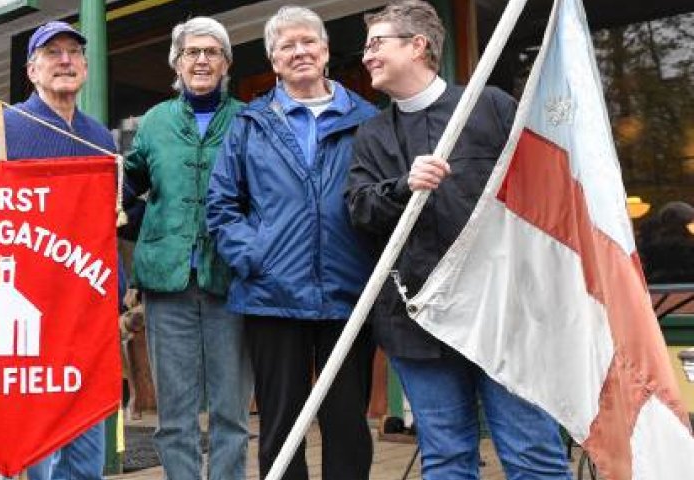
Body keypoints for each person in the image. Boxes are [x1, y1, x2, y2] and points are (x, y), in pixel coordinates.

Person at [345, 1, 573, 479]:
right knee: (446, 460)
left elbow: (545, 190)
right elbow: (360, 209)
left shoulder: (488, 105)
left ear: (418, 45)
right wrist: (403, 186)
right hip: (418, 323)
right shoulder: (371, 134)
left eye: (377, 43)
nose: (366, 56)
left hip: (505, 315)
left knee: (533, 456)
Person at [205, 6, 378, 480]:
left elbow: (383, 201)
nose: (299, 51)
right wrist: (254, 256)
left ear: (325, 51)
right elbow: (221, 205)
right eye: (287, 46)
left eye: (308, 42)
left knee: (347, 422)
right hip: (272, 296)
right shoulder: (249, 123)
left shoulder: (368, 119)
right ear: (273, 60)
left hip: (348, 293)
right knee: (281, 425)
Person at [0, 21, 115, 480]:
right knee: (36, 445)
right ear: (32, 70)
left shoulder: (101, 138)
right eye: (53, 53)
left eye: (74, 52)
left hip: (88, 306)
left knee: (86, 438)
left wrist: (117, 287)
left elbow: (106, 221)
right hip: (25, 306)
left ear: (87, 68)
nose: (65, 61)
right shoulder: (1, 127)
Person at [121, 16, 251, 480]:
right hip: (166, 282)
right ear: (176, 64)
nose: (201, 60)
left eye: (211, 52)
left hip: (229, 280)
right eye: (191, 52)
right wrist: (145, 223)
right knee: (174, 414)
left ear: (226, 63)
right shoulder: (155, 122)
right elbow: (127, 186)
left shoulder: (248, 119)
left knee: (231, 412)